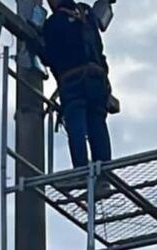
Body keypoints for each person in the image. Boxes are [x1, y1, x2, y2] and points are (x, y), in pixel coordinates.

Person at [40, 0, 113, 172]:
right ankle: (104, 175)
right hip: (96, 78)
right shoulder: (86, 15)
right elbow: (98, 47)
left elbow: (49, 55)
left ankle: (81, 171)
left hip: (72, 79)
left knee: (76, 125)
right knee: (97, 124)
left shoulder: (54, 23)